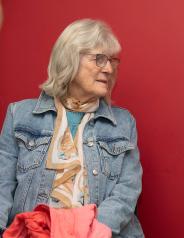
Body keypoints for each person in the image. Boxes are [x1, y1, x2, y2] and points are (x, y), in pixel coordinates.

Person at [0, 19, 144, 237]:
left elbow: (127, 190)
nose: (108, 68)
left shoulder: (124, 123)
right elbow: (2, 185)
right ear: (70, 58)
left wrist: (94, 231)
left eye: (112, 61)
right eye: (99, 59)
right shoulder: (19, 114)